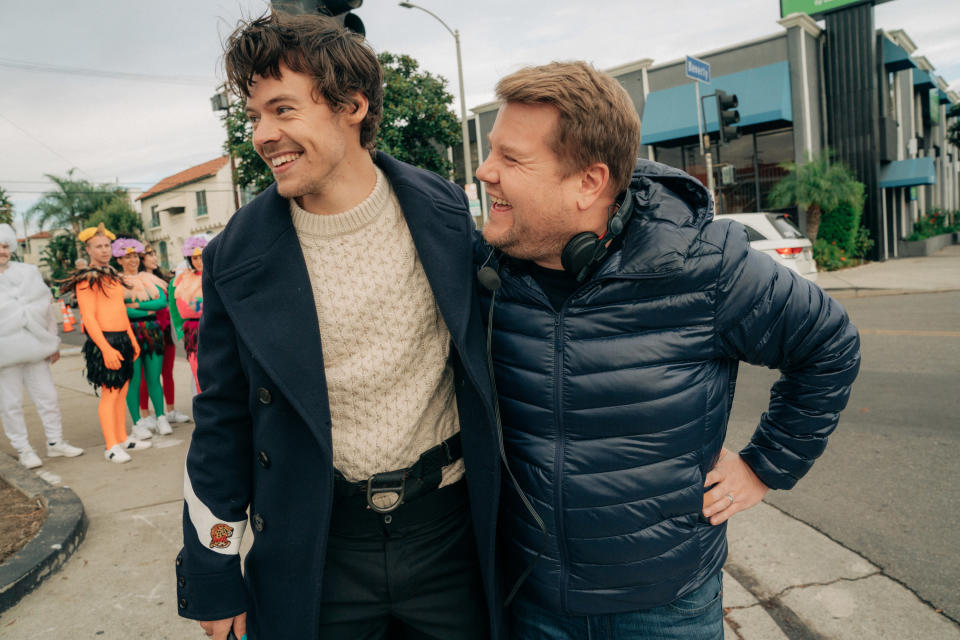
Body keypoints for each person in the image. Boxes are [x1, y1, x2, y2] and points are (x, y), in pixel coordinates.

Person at [473, 61, 861, 639]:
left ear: (589, 182)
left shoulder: (703, 267)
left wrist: (763, 468)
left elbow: (828, 345)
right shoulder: (485, 272)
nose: (484, 172)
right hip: (531, 600)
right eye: (491, 153)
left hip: (664, 610)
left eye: (512, 159)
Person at [175, 12, 501, 640]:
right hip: (317, 545)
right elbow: (221, 425)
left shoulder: (444, 215)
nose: (263, 135)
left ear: (351, 106)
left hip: (450, 535)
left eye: (283, 110)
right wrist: (213, 574)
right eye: (254, 118)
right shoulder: (233, 260)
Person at [61, 223, 151, 464]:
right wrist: (105, 348)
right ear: (88, 250)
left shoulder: (111, 274)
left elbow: (120, 310)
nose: (104, 250)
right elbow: (88, 318)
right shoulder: (86, 279)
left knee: (122, 391)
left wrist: (132, 340)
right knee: (110, 394)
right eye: (98, 246)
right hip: (105, 341)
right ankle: (111, 446)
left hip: (122, 338)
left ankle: (122, 437)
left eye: (107, 246)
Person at [0, 223, 84, 468]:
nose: (1, 251)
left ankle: (55, 442)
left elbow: (46, 309)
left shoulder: (28, 272)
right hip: (5, 355)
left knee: (48, 398)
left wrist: (53, 342)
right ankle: (23, 448)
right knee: (10, 404)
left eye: (5, 246)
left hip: (36, 348)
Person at [112, 237, 173, 438]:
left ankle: (161, 417)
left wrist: (136, 307)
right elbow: (121, 311)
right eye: (127, 257)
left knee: (154, 378)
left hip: (153, 332)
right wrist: (146, 309)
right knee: (134, 379)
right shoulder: (117, 282)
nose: (133, 260)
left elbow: (162, 303)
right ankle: (137, 421)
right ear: (119, 260)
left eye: (135, 256)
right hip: (130, 334)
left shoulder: (149, 279)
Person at [138, 243, 190, 426]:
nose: (154, 257)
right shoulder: (137, 282)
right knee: (146, 375)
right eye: (149, 254)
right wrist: (149, 309)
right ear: (140, 259)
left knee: (167, 372)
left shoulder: (163, 279)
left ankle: (170, 410)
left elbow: (167, 302)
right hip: (147, 332)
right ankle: (145, 414)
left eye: (153, 254)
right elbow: (155, 304)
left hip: (165, 331)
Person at [168, 235, 206, 395]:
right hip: (193, 331)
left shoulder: (216, 275)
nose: (199, 261)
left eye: (201, 256)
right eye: (194, 257)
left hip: (215, 328)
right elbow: (175, 308)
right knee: (198, 374)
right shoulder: (182, 280)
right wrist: (179, 329)